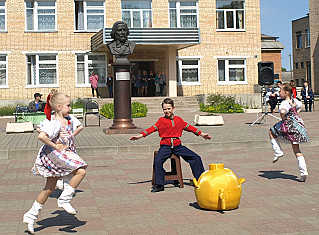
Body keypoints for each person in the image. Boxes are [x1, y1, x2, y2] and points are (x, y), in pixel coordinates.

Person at [23, 92, 87, 234]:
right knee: (81, 169)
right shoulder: (55, 123)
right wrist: (55, 145)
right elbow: (41, 135)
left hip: (63, 154)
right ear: (58, 107)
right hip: (54, 155)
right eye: (68, 106)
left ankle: (30, 215)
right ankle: (64, 199)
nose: (70, 108)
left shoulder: (68, 120)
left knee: (49, 189)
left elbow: (77, 129)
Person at [130, 98, 211, 193]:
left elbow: (190, 128)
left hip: (178, 146)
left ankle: (200, 180)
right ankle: (160, 184)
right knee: (158, 161)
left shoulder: (179, 120)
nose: (167, 111)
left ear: (173, 108)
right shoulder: (161, 121)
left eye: (169, 108)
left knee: (196, 158)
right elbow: (151, 129)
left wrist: (202, 134)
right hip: (165, 146)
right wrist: (139, 136)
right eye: (165, 109)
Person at [269, 83, 309, 182]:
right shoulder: (295, 101)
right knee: (297, 151)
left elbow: (282, 112)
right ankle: (303, 172)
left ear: (286, 93)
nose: (279, 92)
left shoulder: (284, 103)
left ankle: (277, 151)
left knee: (271, 131)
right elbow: (301, 106)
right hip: (298, 126)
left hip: (289, 125)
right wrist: (296, 113)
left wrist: (283, 119)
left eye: (280, 91)